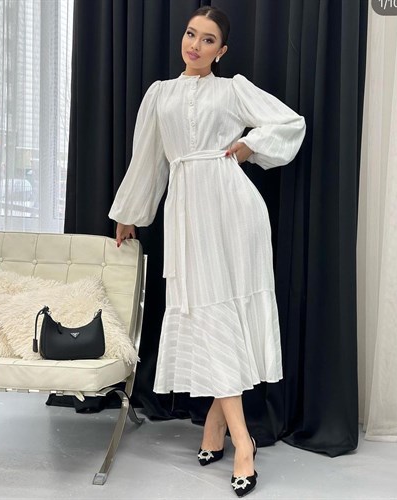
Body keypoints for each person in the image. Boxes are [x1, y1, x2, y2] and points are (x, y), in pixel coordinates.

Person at [109, 6, 306, 497]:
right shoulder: (161, 94)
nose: (195, 45)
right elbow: (148, 159)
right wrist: (130, 212)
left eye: (208, 39)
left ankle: (241, 442)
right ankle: (218, 427)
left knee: (226, 313)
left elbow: (290, 123)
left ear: (222, 50)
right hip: (186, 211)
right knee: (209, 317)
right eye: (191, 34)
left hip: (234, 210)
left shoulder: (232, 89)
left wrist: (249, 146)